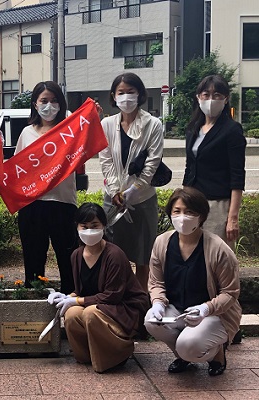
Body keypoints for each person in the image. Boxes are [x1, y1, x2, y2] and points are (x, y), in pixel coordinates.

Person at [144, 187, 241, 376]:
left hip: (214, 314)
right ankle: (183, 356)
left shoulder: (218, 249)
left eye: (190, 212)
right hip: (177, 310)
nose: (182, 217)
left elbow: (230, 292)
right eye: (177, 211)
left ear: (201, 216)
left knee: (188, 344)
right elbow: (156, 282)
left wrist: (205, 309)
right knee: (150, 320)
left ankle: (216, 354)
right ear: (170, 214)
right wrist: (157, 303)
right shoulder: (162, 243)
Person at [49, 203, 149, 373]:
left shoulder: (114, 255)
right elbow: (81, 290)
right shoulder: (76, 255)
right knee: (72, 314)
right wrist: (66, 297)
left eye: (94, 226)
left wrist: (76, 300)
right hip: (99, 304)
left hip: (123, 308)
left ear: (104, 225)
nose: (89, 231)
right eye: (84, 226)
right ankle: (86, 356)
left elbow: (113, 296)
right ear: (77, 227)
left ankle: (116, 355)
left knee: (90, 313)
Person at [98, 72, 163, 290]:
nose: (126, 97)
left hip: (143, 198)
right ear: (113, 96)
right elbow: (105, 159)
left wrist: (133, 191)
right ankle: (117, 297)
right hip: (113, 199)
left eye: (131, 92)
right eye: (121, 92)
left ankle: (140, 299)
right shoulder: (107, 124)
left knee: (143, 254)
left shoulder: (153, 124)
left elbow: (152, 162)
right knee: (114, 251)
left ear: (140, 94)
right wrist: (116, 191)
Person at [14, 81, 77, 292]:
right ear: (35, 104)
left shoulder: (70, 131)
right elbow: (17, 170)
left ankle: (70, 306)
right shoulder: (26, 133)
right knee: (33, 260)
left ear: (61, 104)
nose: (49, 105)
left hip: (63, 204)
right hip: (32, 206)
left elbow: (89, 145)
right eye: (44, 101)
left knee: (68, 260)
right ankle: (34, 303)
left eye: (54, 100)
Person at [183, 74, 246, 249]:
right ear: (198, 97)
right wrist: (183, 199)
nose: (211, 99)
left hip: (218, 205)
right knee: (192, 254)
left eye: (217, 95)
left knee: (217, 257)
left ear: (226, 99)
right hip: (193, 203)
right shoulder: (193, 129)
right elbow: (190, 167)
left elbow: (237, 176)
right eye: (206, 94)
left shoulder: (232, 130)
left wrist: (232, 218)